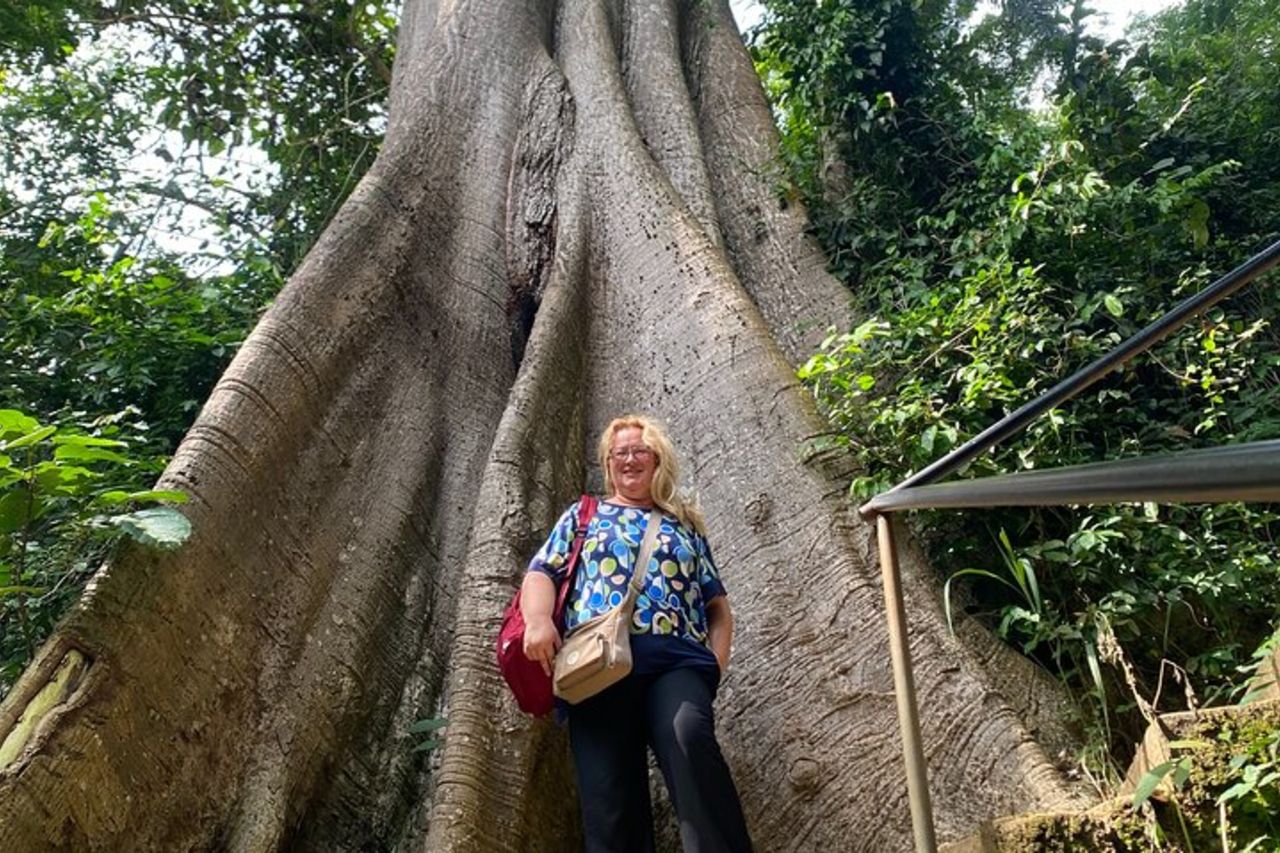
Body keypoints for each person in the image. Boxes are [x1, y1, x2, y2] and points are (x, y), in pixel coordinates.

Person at [519, 414, 753, 853]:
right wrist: (538, 620)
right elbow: (542, 572)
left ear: (657, 459)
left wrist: (713, 668)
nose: (629, 459)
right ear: (608, 465)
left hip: (677, 661)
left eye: (638, 450)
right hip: (597, 664)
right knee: (609, 803)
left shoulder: (684, 525)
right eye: (619, 453)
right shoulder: (584, 515)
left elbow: (718, 606)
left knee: (689, 739)